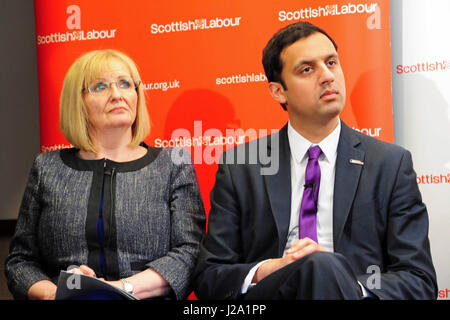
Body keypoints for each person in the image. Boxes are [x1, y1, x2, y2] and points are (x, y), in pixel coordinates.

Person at [193, 21, 437, 300]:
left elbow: (419, 280)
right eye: (307, 69)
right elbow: (210, 278)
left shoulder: (390, 165)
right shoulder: (241, 166)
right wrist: (268, 269)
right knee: (315, 267)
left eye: (331, 62)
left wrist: (348, 287)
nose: (327, 76)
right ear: (278, 91)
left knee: (323, 267)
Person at [5, 49, 206, 300]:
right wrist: (56, 294)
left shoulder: (172, 164)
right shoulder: (47, 168)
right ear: (77, 101)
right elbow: (20, 262)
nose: (117, 95)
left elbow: (189, 253)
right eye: (100, 87)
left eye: (125, 84)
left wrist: (118, 290)